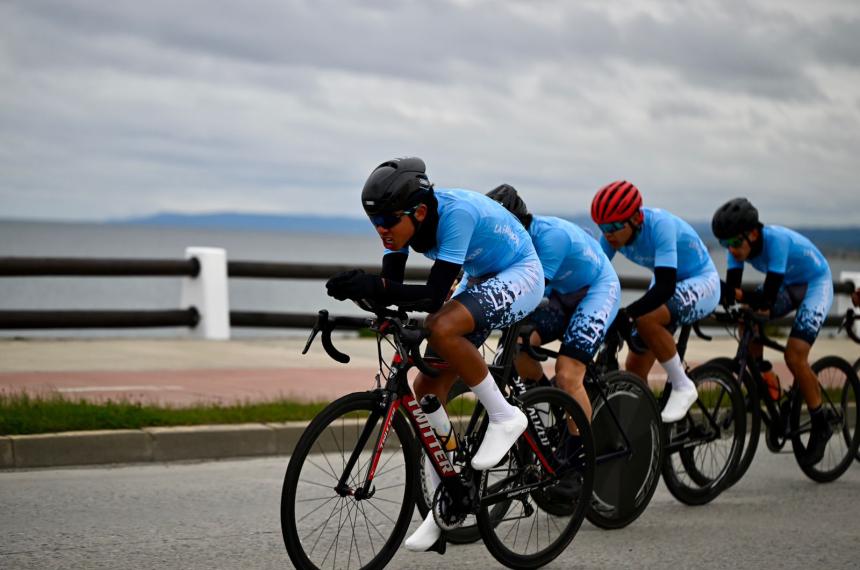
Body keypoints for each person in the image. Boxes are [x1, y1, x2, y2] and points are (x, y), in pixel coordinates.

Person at [325, 157, 544, 551]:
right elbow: (391, 287)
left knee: (443, 327)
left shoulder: (455, 214)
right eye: (375, 224)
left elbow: (431, 296)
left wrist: (374, 287)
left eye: (388, 223)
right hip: (481, 276)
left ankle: (505, 415)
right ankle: (444, 504)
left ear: (420, 211)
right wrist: (364, 293)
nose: (382, 232)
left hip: (521, 273)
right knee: (426, 387)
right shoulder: (404, 227)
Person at [487, 184, 620, 500]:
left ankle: (578, 461)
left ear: (520, 223)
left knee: (568, 373)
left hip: (596, 291)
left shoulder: (550, 237)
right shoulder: (512, 241)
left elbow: (527, 291)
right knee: (516, 346)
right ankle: (553, 404)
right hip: (562, 295)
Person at [712, 197, 834, 466]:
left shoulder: (776, 240)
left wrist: (735, 294)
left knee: (795, 356)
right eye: (724, 244)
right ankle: (764, 375)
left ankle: (820, 421)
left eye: (733, 243)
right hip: (790, 285)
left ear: (753, 234)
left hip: (815, 283)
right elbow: (734, 293)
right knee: (746, 316)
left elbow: (767, 296)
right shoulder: (738, 250)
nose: (730, 250)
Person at [591, 180, 720, 423]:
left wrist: (628, 314)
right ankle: (648, 435)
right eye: (603, 227)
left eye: (615, 226)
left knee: (646, 319)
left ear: (635, 219)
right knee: (635, 370)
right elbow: (595, 276)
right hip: (668, 281)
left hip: (701, 280)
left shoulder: (660, 225)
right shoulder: (610, 238)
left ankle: (683, 385)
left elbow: (665, 287)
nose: (609, 233)